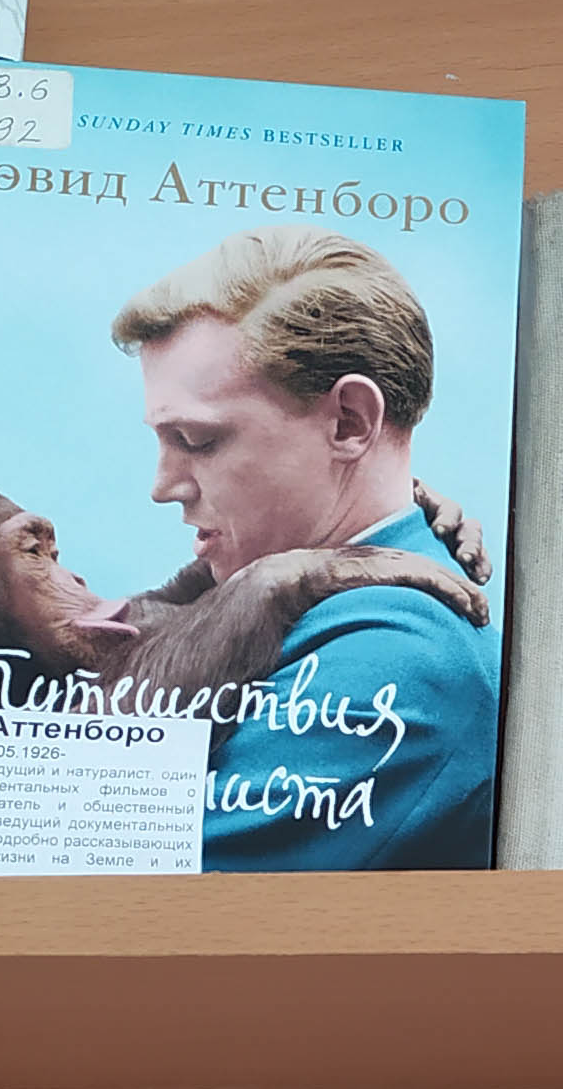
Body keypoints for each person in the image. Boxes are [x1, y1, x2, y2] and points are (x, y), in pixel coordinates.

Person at [111, 226, 499, 868]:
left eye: (198, 441)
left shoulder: (395, 662)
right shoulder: (296, 593)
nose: (163, 486)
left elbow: (80, 876)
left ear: (349, 421)